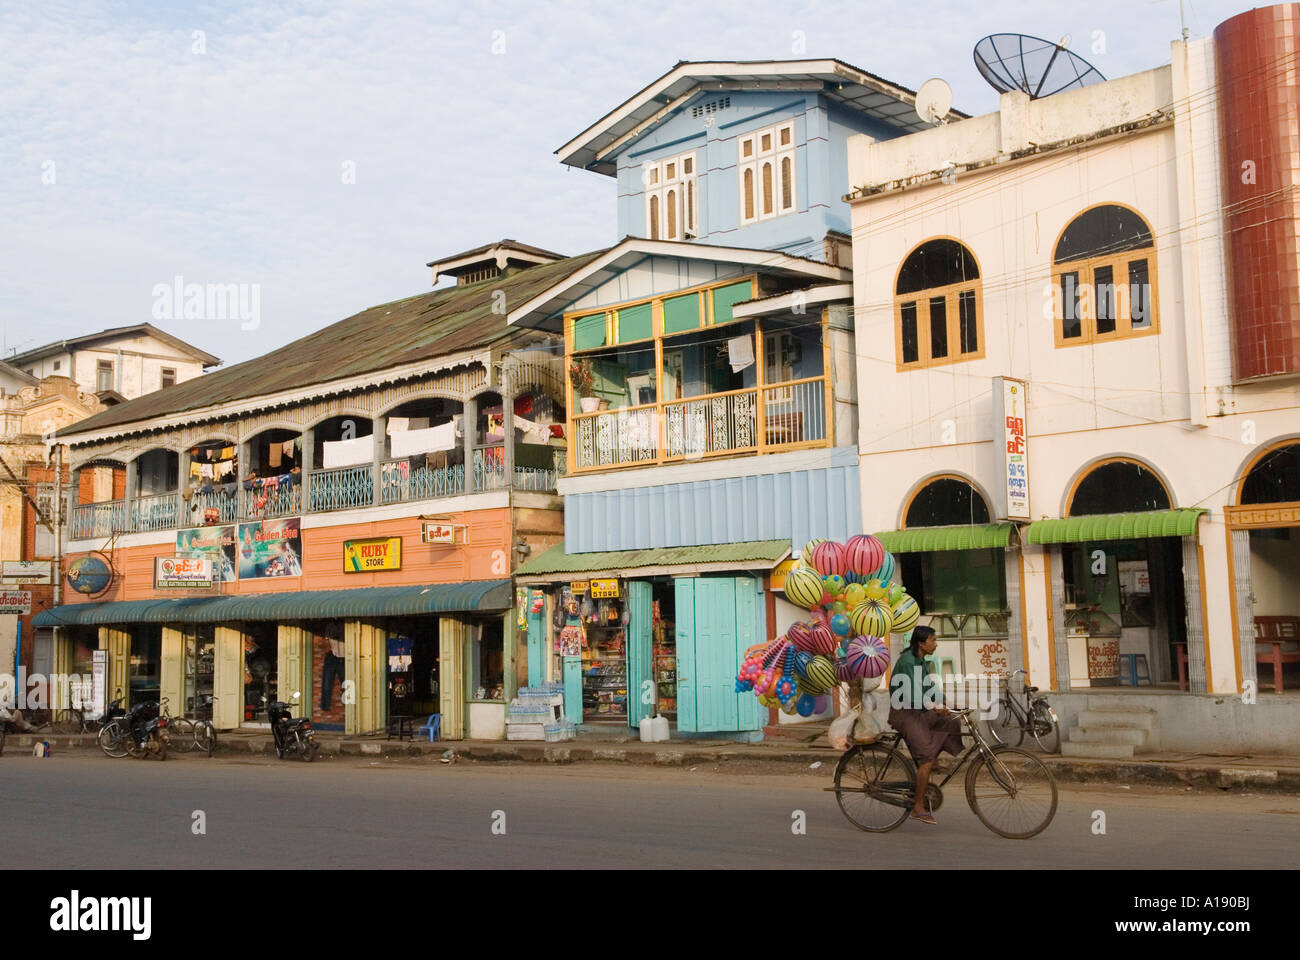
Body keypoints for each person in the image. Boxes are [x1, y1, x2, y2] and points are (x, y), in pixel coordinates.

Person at [888, 625, 963, 825]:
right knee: (926, 758)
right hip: (905, 713)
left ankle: (931, 760)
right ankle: (918, 807)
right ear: (922, 643)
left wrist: (947, 702)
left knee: (950, 720)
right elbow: (913, 694)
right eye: (933, 640)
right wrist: (934, 707)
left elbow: (928, 686)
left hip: (917, 709)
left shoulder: (920, 660)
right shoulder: (907, 662)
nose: (935, 643)